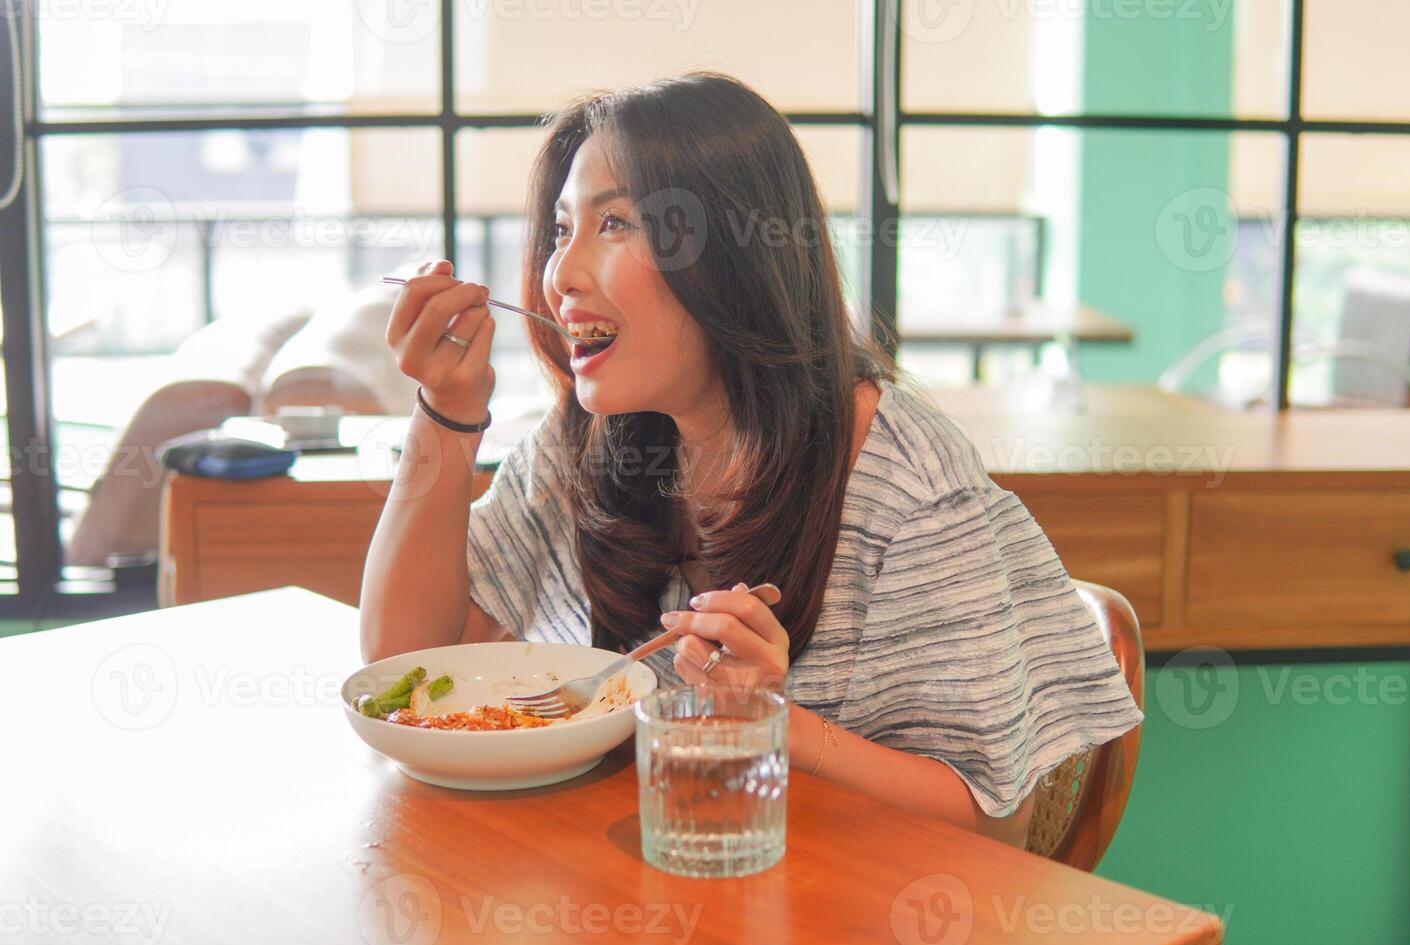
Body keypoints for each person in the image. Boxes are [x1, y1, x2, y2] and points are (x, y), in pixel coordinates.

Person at [360, 71, 1143, 848]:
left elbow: (991, 824)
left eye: (616, 224)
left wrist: (776, 725)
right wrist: (447, 412)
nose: (560, 274)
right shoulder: (594, 440)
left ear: (731, 255)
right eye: (562, 230)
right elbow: (405, 669)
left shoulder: (906, 484)